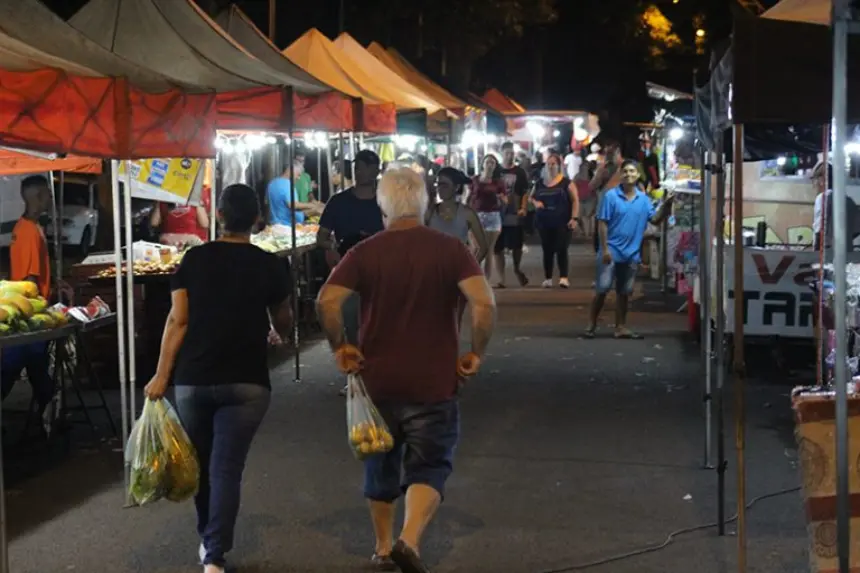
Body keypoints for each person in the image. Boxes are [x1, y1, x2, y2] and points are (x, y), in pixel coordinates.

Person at [316, 167, 496, 573]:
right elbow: (485, 305)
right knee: (430, 464)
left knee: (379, 461)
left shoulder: (365, 252)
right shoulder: (451, 251)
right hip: (433, 381)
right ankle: (408, 539)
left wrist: (340, 346)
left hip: (378, 381)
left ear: (383, 206)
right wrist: (475, 352)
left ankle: (382, 547)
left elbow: (326, 302)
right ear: (424, 202)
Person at [144, 183, 293, 573]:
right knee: (226, 467)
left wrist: (161, 375)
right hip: (248, 382)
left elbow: (178, 319)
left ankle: (208, 541)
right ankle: (214, 553)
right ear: (258, 218)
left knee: (202, 463)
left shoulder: (194, 260)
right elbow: (283, 319)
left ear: (220, 216)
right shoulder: (271, 264)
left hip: (193, 379)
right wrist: (281, 333)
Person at [317, 150, 384, 395]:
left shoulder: (386, 202)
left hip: (382, 272)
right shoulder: (339, 201)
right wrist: (331, 249)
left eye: (365, 166)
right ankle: (356, 377)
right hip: (349, 274)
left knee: (380, 323)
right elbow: (322, 236)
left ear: (377, 169)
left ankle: (379, 373)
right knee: (351, 323)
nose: (359, 171)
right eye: (357, 167)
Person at [586, 159, 673, 340]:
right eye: (625, 171)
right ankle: (592, 324)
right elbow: (602, 223)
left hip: (631, 254)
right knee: (602, 289)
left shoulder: (643, 199)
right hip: (611, 250)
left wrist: (666, 207)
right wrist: (605, 249)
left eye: (632, 171)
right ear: (621, 175)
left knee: (624, 292)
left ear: (638, 175)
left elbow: (655, 219)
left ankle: (621, 327)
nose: (629, 175)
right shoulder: (611, 196)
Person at [3, 175, 54, 418]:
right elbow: (30, 282)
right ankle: (47, 407)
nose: (51, 199)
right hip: (30, 312)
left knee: (33, 365)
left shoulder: (28, 228)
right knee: (20, 363)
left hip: (28, 308)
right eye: (48, 194)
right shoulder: (29, 232)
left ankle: (46, 407)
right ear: (38, 197)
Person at [531, 153, 580, 288]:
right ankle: (548, 278)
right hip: (544, 221)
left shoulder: (566, 183)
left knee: (561, 248)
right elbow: (531, 197)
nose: (551, 166)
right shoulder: (540, 183)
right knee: (547, 249)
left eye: (554, 164)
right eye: (549, 164)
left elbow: (575, 200)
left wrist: (574, 218)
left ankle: (563, 277)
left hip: (562, 221)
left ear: (559, 166)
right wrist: (536, 203)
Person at [494, 141, 530, 288]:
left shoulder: (520, 172)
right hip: (497, 213)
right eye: (507, 153)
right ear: (502, 153)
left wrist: (523, 207)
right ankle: (501, 277)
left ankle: (516, 268)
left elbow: (524, 192)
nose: (510, 156)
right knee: (498, 246)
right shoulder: (496, 171)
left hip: (514, 213)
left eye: (512, 153)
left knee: (516, 244)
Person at [468, 155, 507, 279]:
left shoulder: (498, 182)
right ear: (482, 164)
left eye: (493, 163)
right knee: (477, 248)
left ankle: (486, 280)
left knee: (489, 250)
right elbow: (467, 197)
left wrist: (501, 198)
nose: (490, 165)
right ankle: (471, 275)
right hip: (477, 215)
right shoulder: (474, 180)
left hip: (493, 216)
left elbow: (506, 200)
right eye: (487, 162)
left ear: (495, 166)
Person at [811, 161, 860, 251]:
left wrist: (815, 253)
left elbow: (819, 230)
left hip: (827, 252)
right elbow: (857, 230)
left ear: (822, 179)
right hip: (847, 253)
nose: (814, 184)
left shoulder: (822, 198)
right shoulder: (849, 201)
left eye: (815, 180)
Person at [588, 143, 623, 254]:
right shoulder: (604, 169)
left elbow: (592, 186)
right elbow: (591, 186)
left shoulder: (621, 170)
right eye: (608, 153)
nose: (609, 156)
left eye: (611, 153)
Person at [266, 159, 317, 227]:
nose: (298, 178)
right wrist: (312, 206)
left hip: (275, 224)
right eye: (298, 175)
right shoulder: (287, 184)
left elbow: (268, 203)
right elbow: (293, 205)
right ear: (291, 170)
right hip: (287, 227)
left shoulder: (273, 183)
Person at [574, 161, 596, 240]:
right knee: (580, 216)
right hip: (580, 199)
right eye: (583, 166)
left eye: (586, 166)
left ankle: (588, 234)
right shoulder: (577, 176)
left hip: (590, 199)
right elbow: (573, 186)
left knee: (587, 216)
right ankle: (586, 232)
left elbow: (595, 187)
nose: (584, 168)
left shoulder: (592, 176)